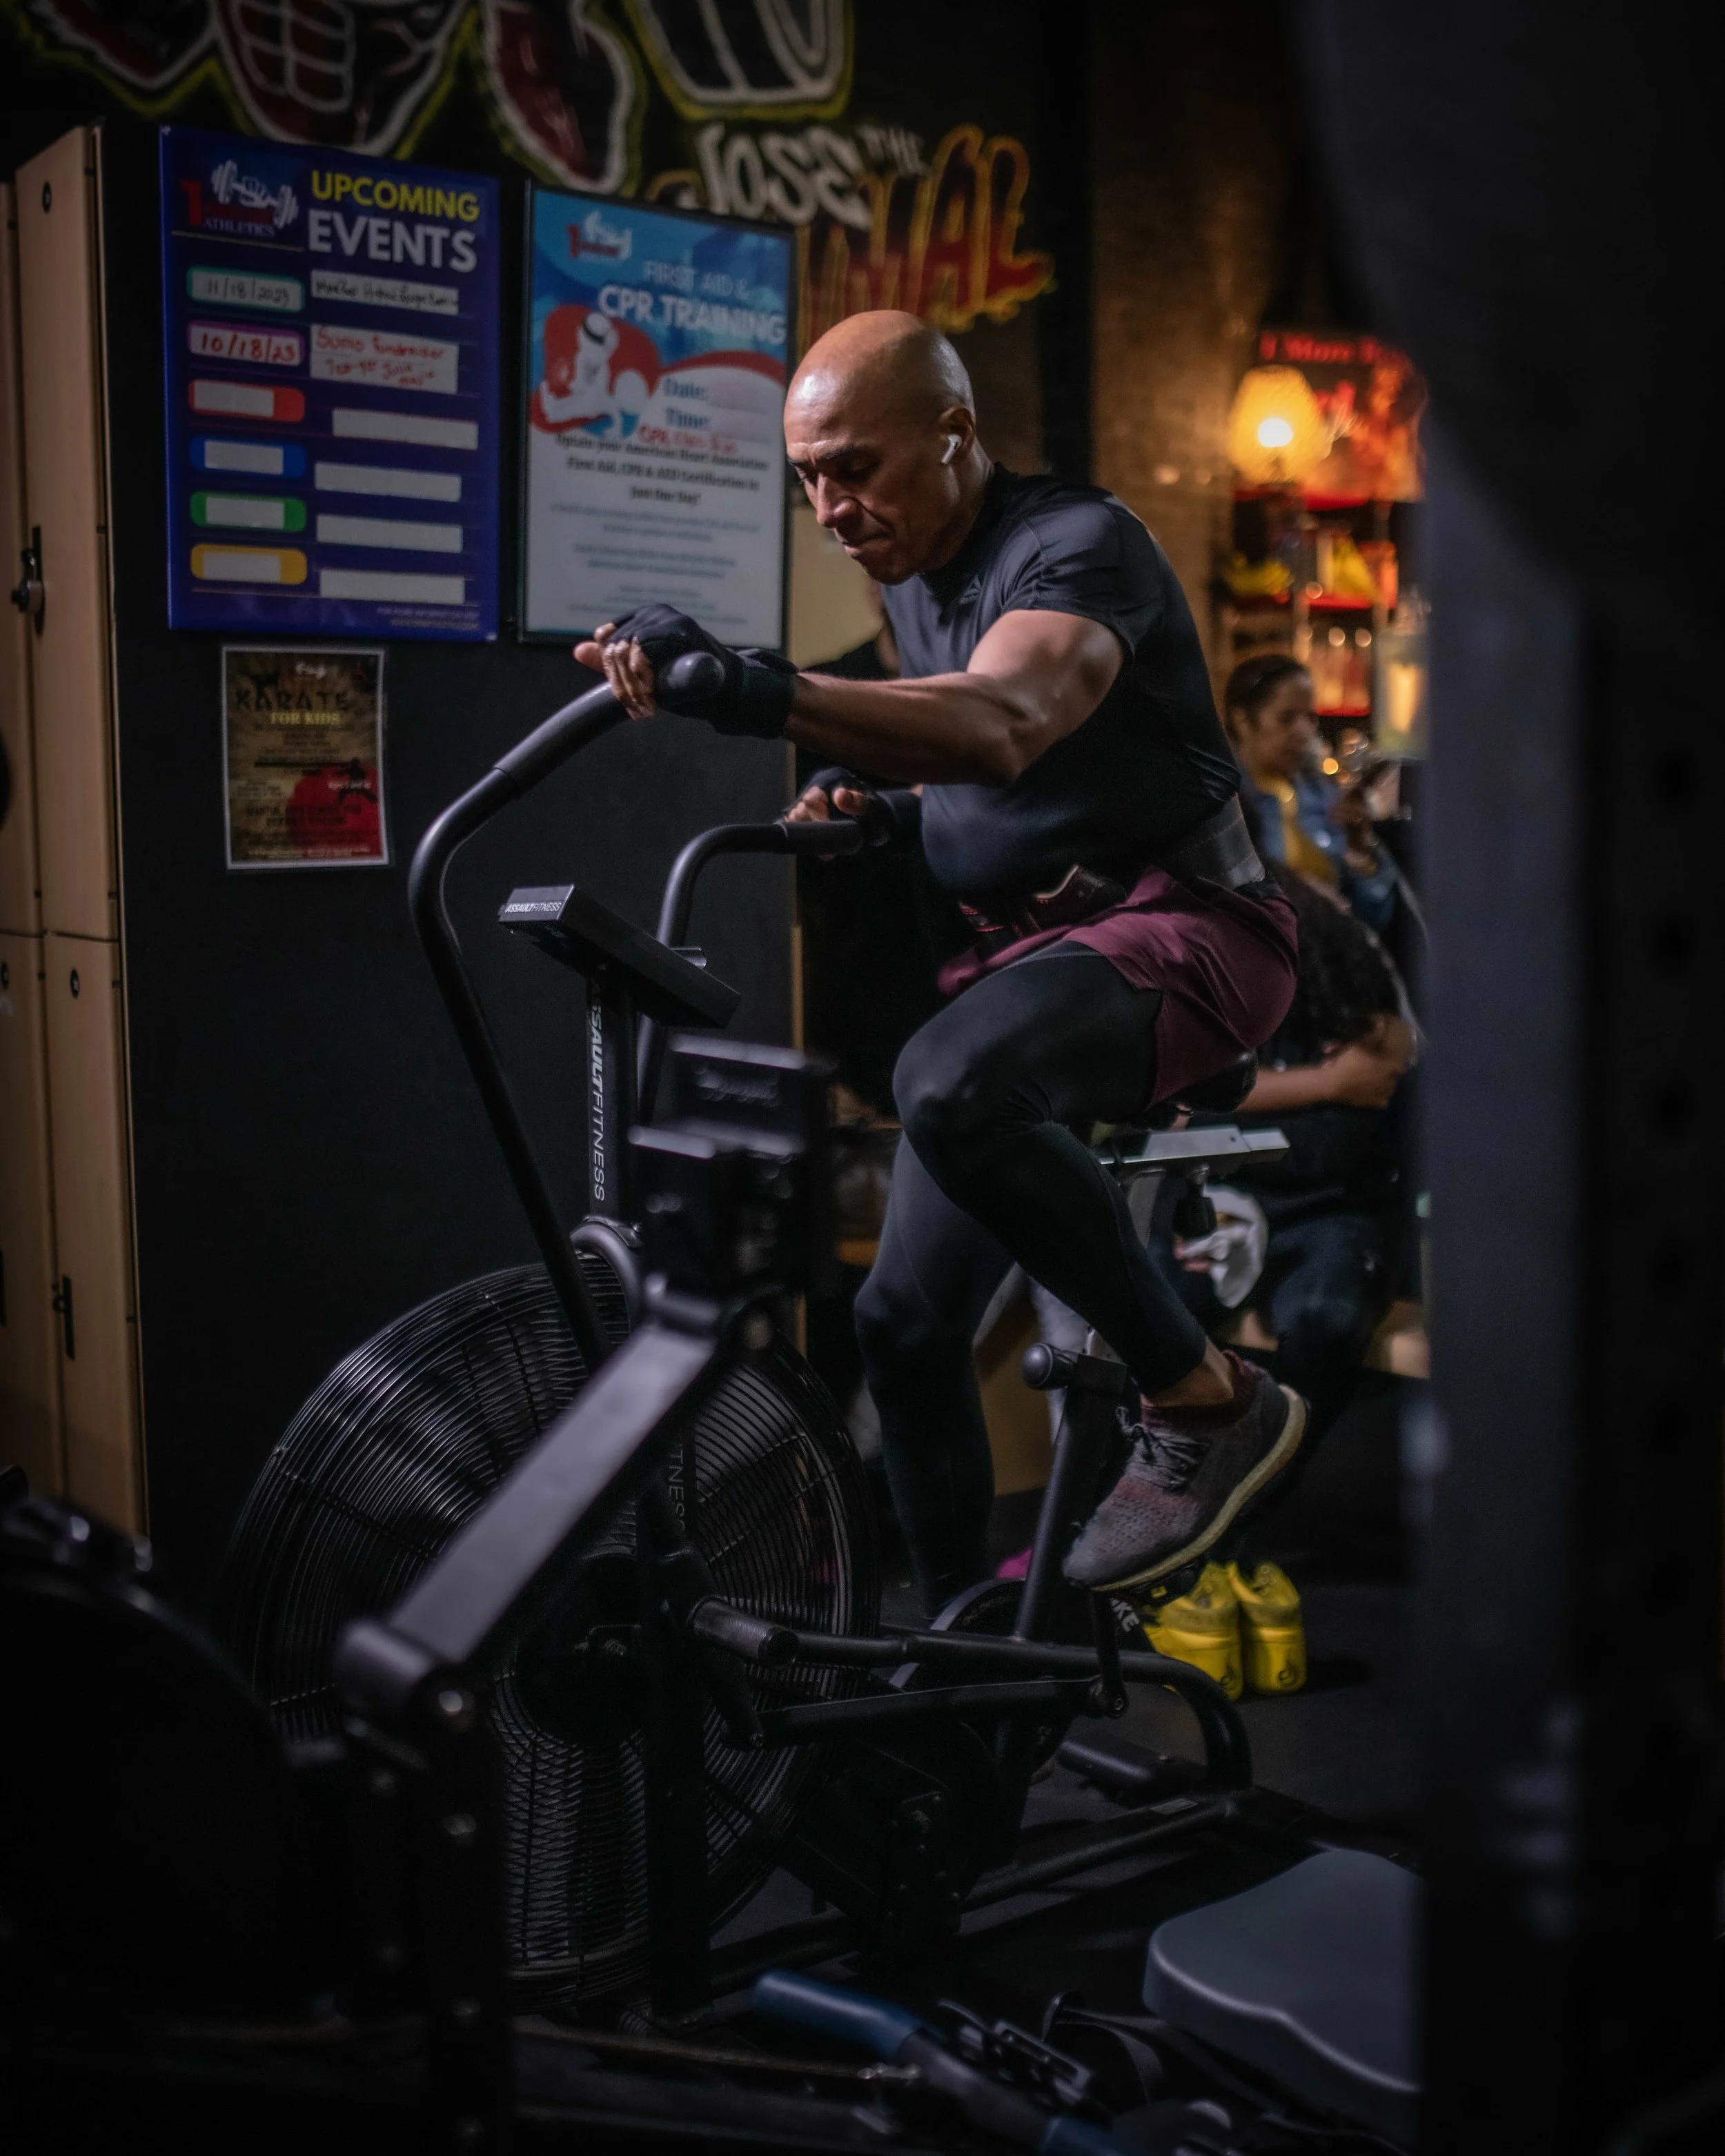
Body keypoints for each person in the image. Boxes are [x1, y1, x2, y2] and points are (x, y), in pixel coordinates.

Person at [575, 310, 1305, 1615]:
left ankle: (1206, 1395)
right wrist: (885, 812)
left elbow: (1007, 723)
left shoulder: (1078, 546)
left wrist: (752, 688)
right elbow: (987, 782)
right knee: (901, 1329)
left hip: (1198, 934)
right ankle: (969, 1669)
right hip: (1051, 955)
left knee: (946, 1078)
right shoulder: (911, 573)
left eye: (854, 466)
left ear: (956, 433)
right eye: (808, 477)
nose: (831, 505)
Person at [1225, 653, 1400, 936]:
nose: (1304, 732)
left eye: (1310, 718)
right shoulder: (1224, 805)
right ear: (1243, 721)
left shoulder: (1327, 799)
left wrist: (1359, 851)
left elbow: (1373, 920)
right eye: (1286, 718)